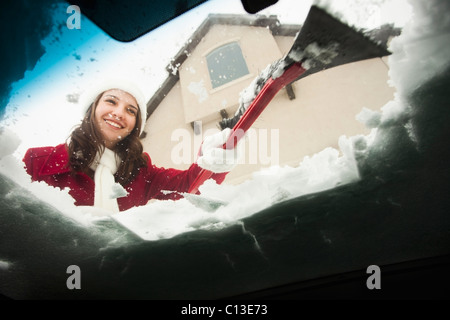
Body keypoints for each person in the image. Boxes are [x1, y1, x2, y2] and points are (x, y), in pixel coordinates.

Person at [22, 81, 241, 214]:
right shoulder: (39, 161)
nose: (118, 113)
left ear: (135, 126)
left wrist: (212, 160)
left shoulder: (141, 172)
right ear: (92, 109)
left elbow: (190, 187)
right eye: (111, 101)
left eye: (130, 110)